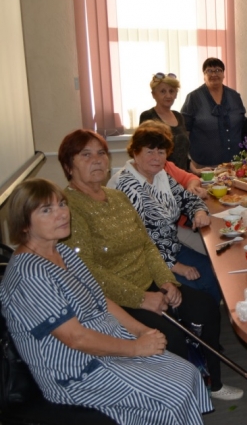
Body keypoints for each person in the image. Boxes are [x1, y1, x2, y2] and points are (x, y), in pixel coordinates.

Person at [0, 179, 213, 423]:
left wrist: (142, 331)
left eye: (61, 204)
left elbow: (100, 298)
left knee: (187, 372)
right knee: (172, 394)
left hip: (107, 346)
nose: (61, 214)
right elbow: (75, 338)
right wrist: (136, 348)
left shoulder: (63, 251)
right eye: (46, 210)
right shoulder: (30, 274)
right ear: (24, 224)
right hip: (77, 372)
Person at [58, 129, 243, 401]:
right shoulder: (71, 208)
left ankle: (211, 383)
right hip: (115, 298)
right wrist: (141, 297)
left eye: (101, 153)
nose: (96, 160)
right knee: (170, 337)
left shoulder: (116, 198)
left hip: (150, 279)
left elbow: (146, 244)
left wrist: (166, 280)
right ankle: (184, 399)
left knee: (205, 307)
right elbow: (86, 272)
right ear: (68, 165)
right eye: (85, 155)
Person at [108, 121, 221, 304]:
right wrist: (176, 266)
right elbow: (140, 240)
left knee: (213, 273)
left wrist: (199, 212)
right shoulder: (126, 185)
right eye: (150, 151)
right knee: (198, 295)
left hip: (172, 247)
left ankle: (209, 316)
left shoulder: (160, 175)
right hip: (147, 261)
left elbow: (186, 198)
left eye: (161, 152)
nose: (156, 157)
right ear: (135, 152)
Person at [181, 57, 246, 170]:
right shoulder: (193, 98)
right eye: (209, 71)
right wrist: (188, 162)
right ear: (204, 75)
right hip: (203, 166)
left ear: (223, 74)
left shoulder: (234, 96)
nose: (214, 74)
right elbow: (184, 131)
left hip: (235, 164)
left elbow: (242, 124)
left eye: (218, 70)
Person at [139, 72, 191, 171]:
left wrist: (195, 170)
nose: (168, 95)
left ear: (176, 94)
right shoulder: (148, 117)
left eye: (171, 91)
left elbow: (183, 154)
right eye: (163, 91)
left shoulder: (179, 116)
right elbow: (146, 154)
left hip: (182, 175)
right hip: (159, 175)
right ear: (154, 94)